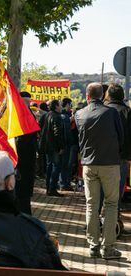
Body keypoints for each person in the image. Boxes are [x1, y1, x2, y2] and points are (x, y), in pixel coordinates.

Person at [75, 82, 123, 259]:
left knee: (91, 205)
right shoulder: (111, 113)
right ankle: (108, 247)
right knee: (111, 204)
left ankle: (93, 245)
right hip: (109, 163)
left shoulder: (79, 113)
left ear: (87, 96)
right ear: (103, 95)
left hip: (88, 164)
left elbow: (79, 139)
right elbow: (121, 136)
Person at [105, 84, 131, 211]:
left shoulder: (103, 109)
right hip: (122, 156)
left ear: (108, 95)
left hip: (102, 156)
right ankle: (114, 219)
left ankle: (98, 220)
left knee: (102, 190)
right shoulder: (127, 111)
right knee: (117, 190)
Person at [15, 92, 38, 215]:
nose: (27, 104)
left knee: (25, 189)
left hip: (28, 156)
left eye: (28, 102)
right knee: (22, 189)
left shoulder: (28, 114)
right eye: (25, 101)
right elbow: (20, 140)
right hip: (22, 158)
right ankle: (23, 214)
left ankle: (24, 212)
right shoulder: (19, 114)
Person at [39, 99, 65, 197]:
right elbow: (57, 133)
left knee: (49, 167)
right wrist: (61, 146)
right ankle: (52, 188)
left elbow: (39, 127)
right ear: (56, 106)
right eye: (60, 105)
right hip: (54, 146)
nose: (61, 107)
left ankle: (49, 188)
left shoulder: (46, 115)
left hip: (46, 145)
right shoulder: (57, 117)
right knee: (56, 167)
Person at [59, 98, 74, 191]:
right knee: (65, 165)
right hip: (66, 144)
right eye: (70, 105)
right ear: (67, 104)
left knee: (64, 165)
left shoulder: (62, 114)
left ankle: (63, 182)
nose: (71, 107)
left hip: (65, 143)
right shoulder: (64, 116)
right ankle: (63, 183)